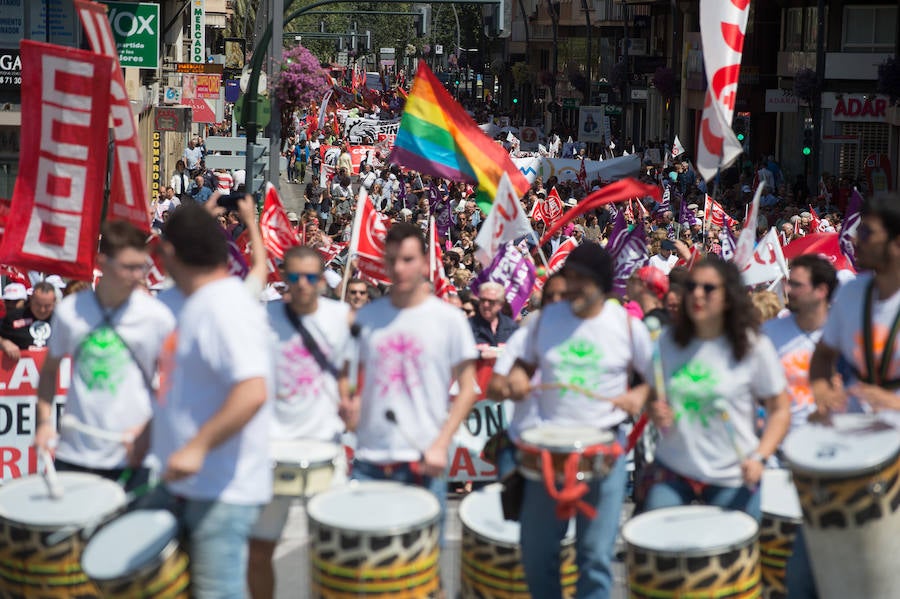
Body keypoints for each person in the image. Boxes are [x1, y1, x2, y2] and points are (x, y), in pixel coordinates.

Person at [506, 243, 653, 598]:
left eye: (580, 279)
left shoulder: (628, 327)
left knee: (595, 558)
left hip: (605, 449)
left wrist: (638, 396)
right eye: (568, 277)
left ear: (601, 283)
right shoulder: (544, 321)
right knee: (538, 554)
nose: (571, 286)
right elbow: (518, 370)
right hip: (546, 452)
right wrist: (516, 380)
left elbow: (657, 381)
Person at [149, 204, 272, 598]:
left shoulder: (226, 306)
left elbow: (251, 391)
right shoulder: (191, 303)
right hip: (185, 484)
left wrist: (197, 447)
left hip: (221, 490)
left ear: (170, 253)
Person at [338, 222, 478, 533]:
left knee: (422, 568)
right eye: (392, 260)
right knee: (368, 567)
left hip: (423, 459)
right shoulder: (366, 318)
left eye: (408, 260)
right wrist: (349, 399)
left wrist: (442, 444)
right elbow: (350, 375)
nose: (399, 268)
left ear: (424, 261)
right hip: (369, 461)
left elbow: (468, 389)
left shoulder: (449, 320)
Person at [645, 258, 790, 519]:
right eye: (691, 287)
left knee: (738, 552)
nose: (697, 294)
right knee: (651, 546)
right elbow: (654, 393)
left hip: (732, 472)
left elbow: (779, 410)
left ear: (728, 297)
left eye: (708, 288)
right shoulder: (667, 341)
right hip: (674, 468)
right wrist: (655, 409)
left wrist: (760, 457)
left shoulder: (753, 346)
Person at [34, 222, 175, 491]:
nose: (137, 275)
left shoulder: (157, 317)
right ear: (103, 262)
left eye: (141, 266)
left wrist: (150, 430)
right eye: (128, 267)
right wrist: (43, 423)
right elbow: (50, 371)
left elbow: (176, 382)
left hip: (133, 456)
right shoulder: (70, 312)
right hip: (74, 453)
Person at [248, 246, 351, 599]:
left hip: (325, 446)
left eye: (310, 277)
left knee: (332, 554)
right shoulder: (263, 318)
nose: (302, 285)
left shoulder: (342, 317)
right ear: (282, 277)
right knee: (258, 550)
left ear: (322, 280)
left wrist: (351, 400)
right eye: (293, 277)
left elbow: (354, 371)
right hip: (271, 448)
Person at [810, 192, 900, 425]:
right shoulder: (850, 292)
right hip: (855, 434)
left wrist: (894, 403)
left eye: (866, 233)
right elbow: (822, 355)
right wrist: (823, 392)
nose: (856, 240)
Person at [1, 281, 57, 358]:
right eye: (38, 304)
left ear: (54, 301)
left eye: (47, 306)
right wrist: (4, 342)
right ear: (31, 299)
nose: (42, 310)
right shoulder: (14, 317)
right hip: (20, 368)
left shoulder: (61, 320)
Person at [470, 281, 518, 347]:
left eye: (491, 301)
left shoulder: (511, 327)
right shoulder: (467, 326)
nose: (485, 305)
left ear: (501, 304)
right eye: (482, 300)